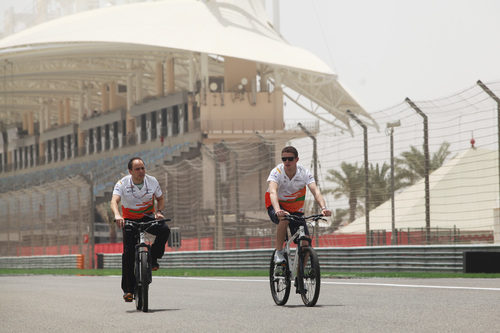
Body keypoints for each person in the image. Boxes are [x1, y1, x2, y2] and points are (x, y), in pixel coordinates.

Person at [110, 157, 170, 302]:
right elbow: (114, 201)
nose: (141, 171)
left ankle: (154, 258)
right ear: (130, 171)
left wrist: (159, 211)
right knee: (128, 254)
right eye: (137, 169)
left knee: (165, 229)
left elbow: (160, 199)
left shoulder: (152, 181)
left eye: (143, 168)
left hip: (148, 217)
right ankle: (128, 290)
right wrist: (118, 215)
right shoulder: (122, 183)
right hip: (129, 220)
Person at [265, 146, 331, 265]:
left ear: (297, 159)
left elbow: (316, 191)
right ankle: (279, 252)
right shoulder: (277, 172)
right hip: (276, 205)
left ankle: (300, 274)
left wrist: (324, 208)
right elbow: (273, 192)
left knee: (305, 243)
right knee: (284, 219)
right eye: (284, 159)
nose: (287, 162)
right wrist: (278, 210)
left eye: (290, 159)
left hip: (295, 208)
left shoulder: (304, 173)